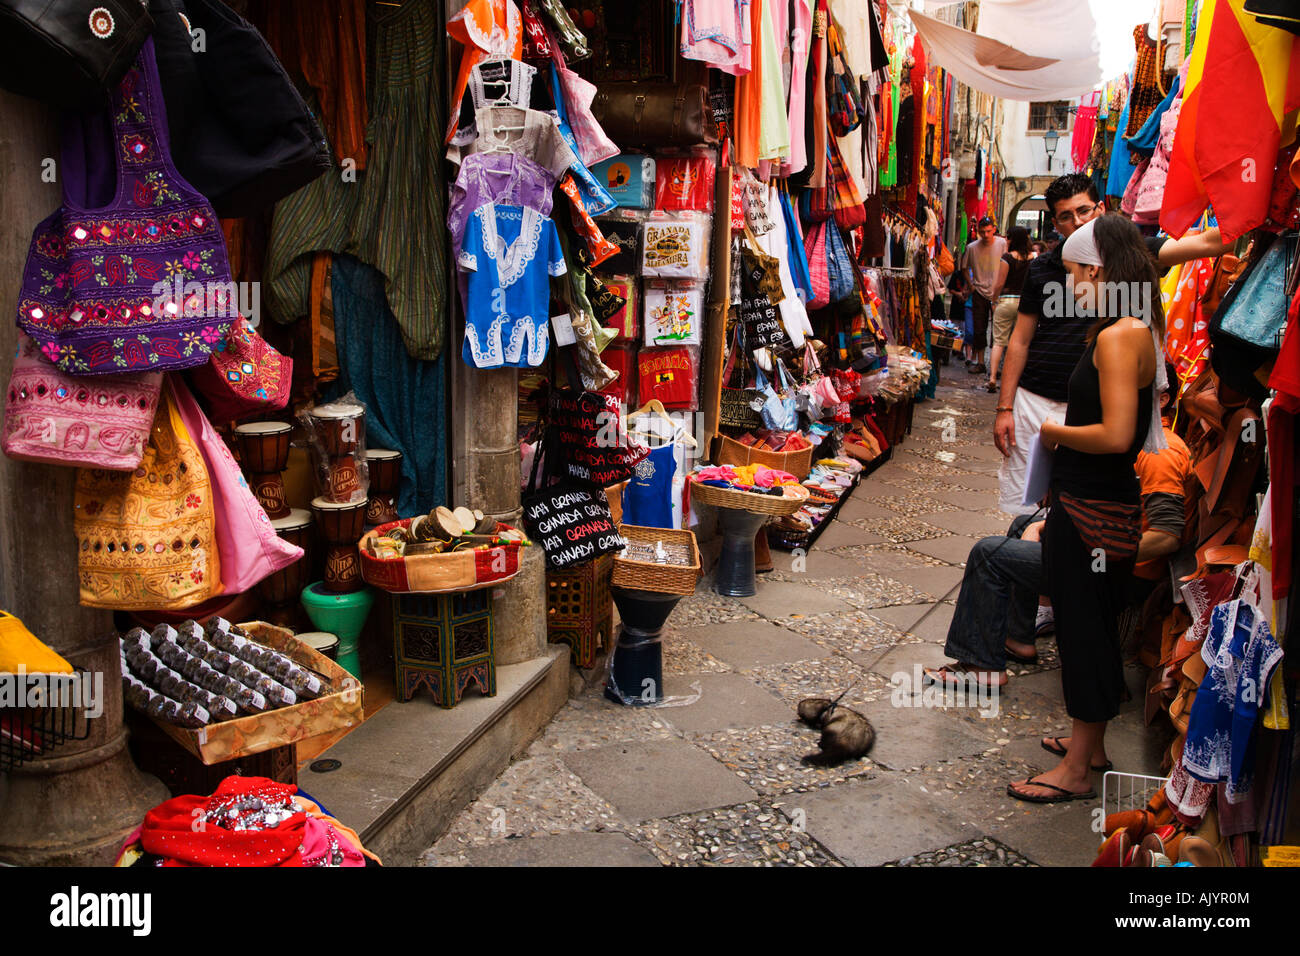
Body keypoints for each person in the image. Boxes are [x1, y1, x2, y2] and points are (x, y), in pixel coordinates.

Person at [1006, 213, 1161, 803]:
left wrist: (1055, 432)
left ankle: (1075, 772)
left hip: (1096, 508)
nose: (1067, 285)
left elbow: (1118, 435)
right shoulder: (1124, 326)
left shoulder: (1120, 333)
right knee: (1085, 624)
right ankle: (1087, 749)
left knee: (1084, 630)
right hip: (1089, 501)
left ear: (1097, 271)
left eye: (1073, 273)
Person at [923, 386, 1191, 699]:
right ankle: (1017, 636)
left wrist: (1092, 553)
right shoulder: (1135, 442)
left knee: (987, 554)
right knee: (1024, 524)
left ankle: (981, 668)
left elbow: (1167, 536)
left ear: (1162, 400)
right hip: (1101, 550)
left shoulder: (1160, 454)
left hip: (1117, 570)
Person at [993, 173, 1229, 515]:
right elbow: (1021, 339)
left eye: (1084, 210)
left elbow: (1207, 243)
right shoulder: (1043, 267)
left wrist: (1262, 209)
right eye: (1065, 216)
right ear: (1055, 223)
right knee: (1025, 504)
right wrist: (1005, 407)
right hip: (1038, 399)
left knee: (1079, 499)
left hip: (1098, 407)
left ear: (1100, 209)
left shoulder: (1135, 255)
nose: (1077, 222)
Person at [986, 225, 1032, 393]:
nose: (1005, 240)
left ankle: (992, 377)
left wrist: (993, 300)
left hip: (1006, 302)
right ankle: (1015, 379)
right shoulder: (1034, 258)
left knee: (999, 341)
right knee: (1019, 342)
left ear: (1012, 239)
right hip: (1025, 304)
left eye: (1008, 237)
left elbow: (999, 283)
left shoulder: (1007, 258)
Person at [960, 216, 1007, 376]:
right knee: (979, 329)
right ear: (979, 231)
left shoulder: (1002, 244)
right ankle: (980, 362)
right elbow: (963, 267)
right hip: (979, 291)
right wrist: (971, 285)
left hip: (998, 291)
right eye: (983, 232)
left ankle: (996, 365)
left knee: (998, 329)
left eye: (988, 231)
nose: (986, 235)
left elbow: (1007, 264)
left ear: (994, 229)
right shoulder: (972, 247)